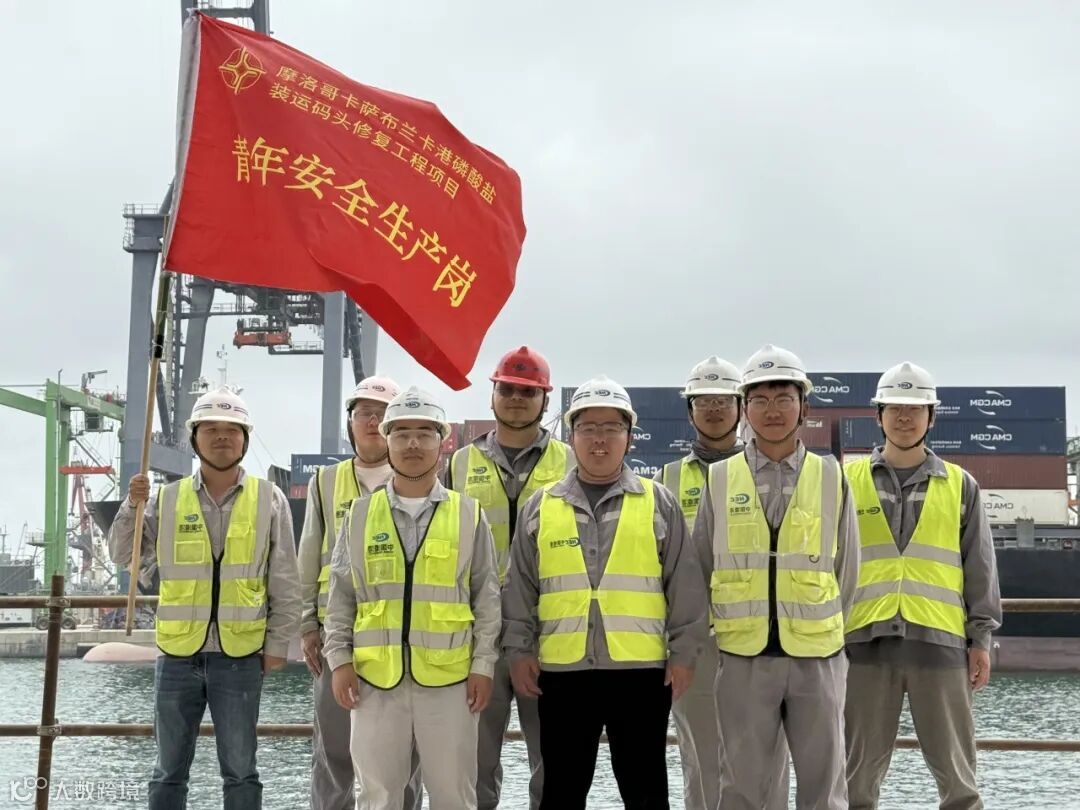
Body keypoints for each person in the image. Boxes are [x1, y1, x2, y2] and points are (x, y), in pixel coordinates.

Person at [502, 375, 708, 810]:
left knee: (646, 792)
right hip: (563, 671)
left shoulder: (659, 502)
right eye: (588, 428)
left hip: (641, 674)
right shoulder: (541, 506)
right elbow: (519, 587)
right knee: (561, 792)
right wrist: (518, 652)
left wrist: (684, 654)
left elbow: (685, 585)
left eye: (611, 428)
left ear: (629, 436)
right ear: (572, 436)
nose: (599, 439)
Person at [108, 387, 301, 809]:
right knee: (168, 770)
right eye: (211, 429)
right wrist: (131, 505)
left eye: (232, 429)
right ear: (194, 438)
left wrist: (276, 646)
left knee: (241, 770)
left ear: (245, 439)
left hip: (241, 656)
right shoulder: (164, 499)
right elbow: (123, 554)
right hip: (177, 654)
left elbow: (286, 581)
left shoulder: (270, 499)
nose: (222, 437)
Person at [692, 345, 860, 810]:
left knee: (824, 789)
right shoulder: (719, 479)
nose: (772, 410)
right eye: (760, 400)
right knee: (741, 788)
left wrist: (820, 629)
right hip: (742, 658)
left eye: (783, 398)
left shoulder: (832, 477)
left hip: (817, 659)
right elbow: (702, 564)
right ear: (745, 409)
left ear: (803, 407)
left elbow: (848, 569)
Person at [323, 386, 501, 810]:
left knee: (454, 795)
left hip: (451, 683)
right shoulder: (359, 515)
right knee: (379, 797)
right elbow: (341, 596)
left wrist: (483, 666)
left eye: (424, 433)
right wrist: (340, 662)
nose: (413, 444)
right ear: (387, 440)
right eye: (402, 434)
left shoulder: (468, 514)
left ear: (443, 442)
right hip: (375, 681)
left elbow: (487, 599)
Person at [844, 362, 1002, 810]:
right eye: (895, 407)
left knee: (958, 781)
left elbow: (980, 567)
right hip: (863, 644)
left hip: (941, 644)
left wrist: (980, 639)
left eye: (915, 408)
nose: (904, 417)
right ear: (878, 415)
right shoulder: (845, 481)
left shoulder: (960, 485)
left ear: (931, 417)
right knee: (855, 782)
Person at [657, 356, 789, 810]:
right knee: (700, 757)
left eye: (723, 401)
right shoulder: (667, 479)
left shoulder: (769, 471)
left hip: (763, 637)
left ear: (740, 407)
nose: (713, 409)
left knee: (769, 756)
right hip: (695, 641)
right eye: (703, 401)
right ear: (689, 410)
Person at [447, 346, 574, 810]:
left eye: (528, 391)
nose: (517, 399)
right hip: (476, 636)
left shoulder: (572, 462)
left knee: (555, 763)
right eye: (508, 390)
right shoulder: (458, 464)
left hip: (550, 634)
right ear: (492, 396)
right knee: (474, 764)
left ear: (546, 400)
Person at [297, 376, 422, 810]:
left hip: (402, 640)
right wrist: (307, 626)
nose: (372, 421)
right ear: (350, 422)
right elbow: (308, 558)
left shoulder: (421, 480)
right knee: (333, 753)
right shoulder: (325, 482)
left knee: (405, 756)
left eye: (382, 413)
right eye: (364, 412)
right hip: (337, 640)